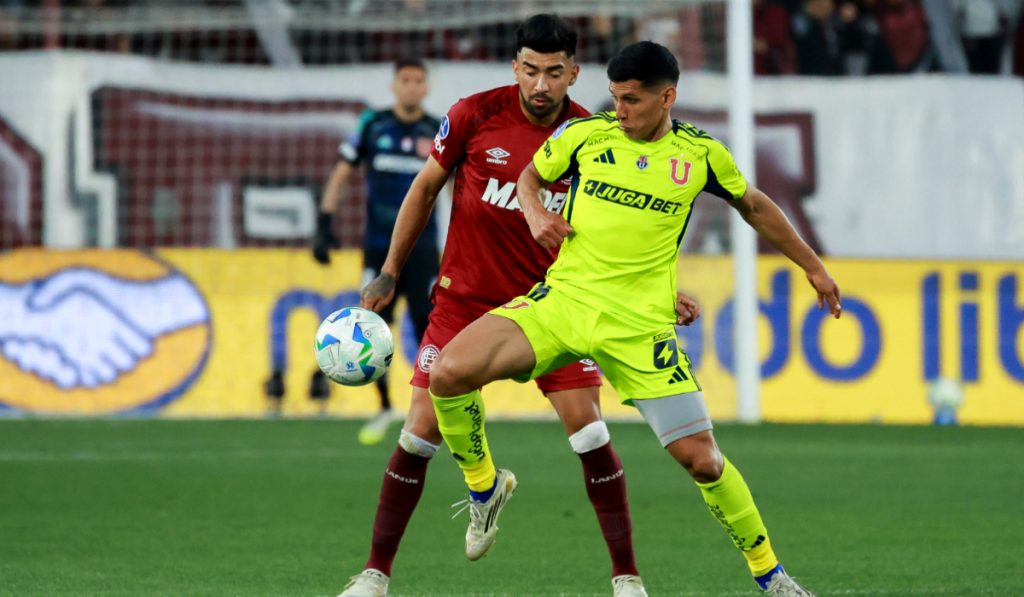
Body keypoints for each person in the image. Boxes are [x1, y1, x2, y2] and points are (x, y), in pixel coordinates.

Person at [426, 41, 842, 597]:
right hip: (565, 302)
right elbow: (528, 178)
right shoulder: (584, 137)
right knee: (449, 373)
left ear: (667, 97)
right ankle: (484, 490)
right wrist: (536, 213)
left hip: (640, 328)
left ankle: (773, 578)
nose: (618, 110)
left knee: (704, 461)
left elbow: (756, 206)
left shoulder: (698, 156)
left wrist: (813, 268)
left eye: (631, 100)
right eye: (615, 97)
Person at [340, 15, 700, 597]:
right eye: (530, 70)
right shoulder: (473, 114)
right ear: (515, 67)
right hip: (464, 303)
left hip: (555, 307)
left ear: (574, 73)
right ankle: (379, 573)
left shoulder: (594, 137)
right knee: (418, 432)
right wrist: (389, 271)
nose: (540, 85)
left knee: (589, 431)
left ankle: (627, 579)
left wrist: (664, 291)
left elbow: (632, 225)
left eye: (554, 73)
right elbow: (424, 188)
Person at [268, 58, 440, 441]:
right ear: (394, 85)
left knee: (429, 326)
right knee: (371, 327)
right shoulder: (372, 125)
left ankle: (431, 409)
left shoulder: (438, 130)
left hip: (425, 248)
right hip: (378, 248)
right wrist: (324, 223)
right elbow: (342, 172)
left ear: (426, 88)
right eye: (405, 80)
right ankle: (383, 407)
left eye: (418, 81)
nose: (411, 87)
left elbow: (462, 183)